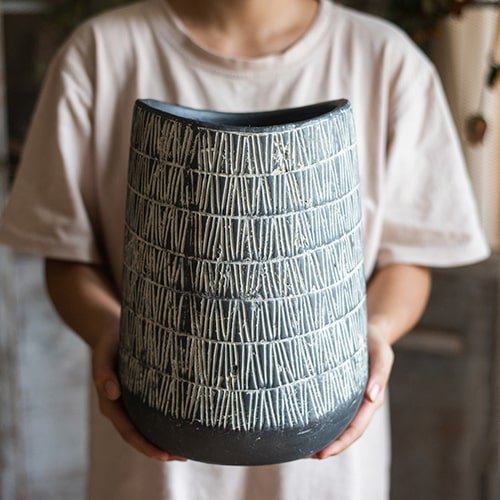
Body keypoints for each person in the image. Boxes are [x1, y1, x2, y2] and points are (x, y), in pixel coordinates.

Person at [0, 0, 489, 498]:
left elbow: (408, 259)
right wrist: (109, 329)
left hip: (326, 466)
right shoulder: (100, 53)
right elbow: (68, 256)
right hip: (152, 464)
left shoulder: (386, 60)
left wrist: (376, 331)